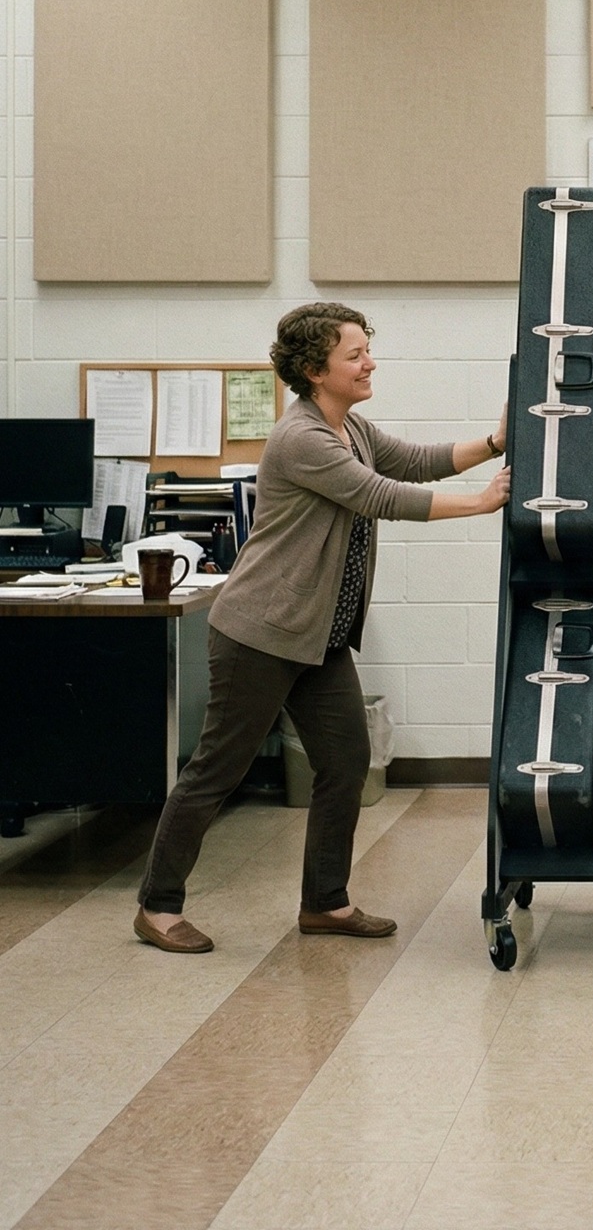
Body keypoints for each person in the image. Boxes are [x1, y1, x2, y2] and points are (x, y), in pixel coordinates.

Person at [133, 302, 510, 953]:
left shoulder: (351, 428)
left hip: (318, 637)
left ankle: (324, 904)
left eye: (368, 350)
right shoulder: (302, 438)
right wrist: (481, 502)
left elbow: (414, 461)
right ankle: (157, 906)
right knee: (218, 770)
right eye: (355, 354)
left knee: (345, 762)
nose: (370, 363)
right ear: (314, 369)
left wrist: (495, 444)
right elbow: (381, 496)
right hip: (262, 632)